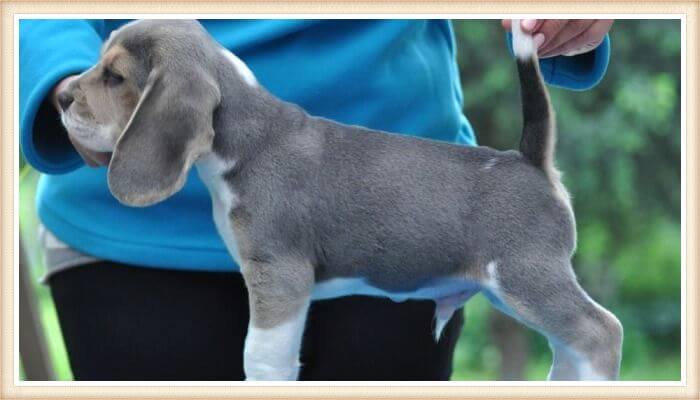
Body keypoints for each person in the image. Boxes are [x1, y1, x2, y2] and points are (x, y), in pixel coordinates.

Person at [20, 19, 613, 381]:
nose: (83, 90)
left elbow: (277, 271)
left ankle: (590, 347)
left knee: (561, 313)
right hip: (121, 259)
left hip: (425, 208)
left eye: (111, 77)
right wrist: (54, 68)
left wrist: (553, 27)